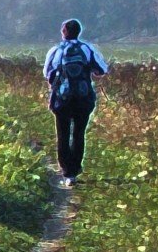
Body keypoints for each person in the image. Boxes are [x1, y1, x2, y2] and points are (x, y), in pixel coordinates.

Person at [43, 19, 109, 184]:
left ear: (64, 32)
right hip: (82, 98)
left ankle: (66, 172)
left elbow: (47, 72)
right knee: (79, 134)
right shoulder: (86, 49)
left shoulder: (56, 50)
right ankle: (75, 168)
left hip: (62, 99)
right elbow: (102, 69)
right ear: (79, 32)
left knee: (63, 134)